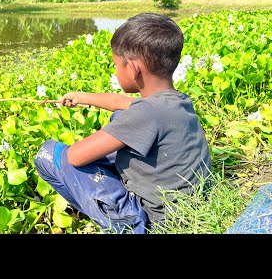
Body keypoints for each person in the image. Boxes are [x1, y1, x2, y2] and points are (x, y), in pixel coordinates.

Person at [34, 13, 212, 234]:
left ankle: (124, 224)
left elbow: (75, 157)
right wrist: (81, 96)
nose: (116, 70)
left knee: (49, 154)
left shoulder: (144, 114)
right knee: (120, 117)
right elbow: (121, 102)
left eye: (116, 64)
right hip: (186, 208)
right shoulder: (176, 101)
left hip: (155, 222)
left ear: (134, 68)